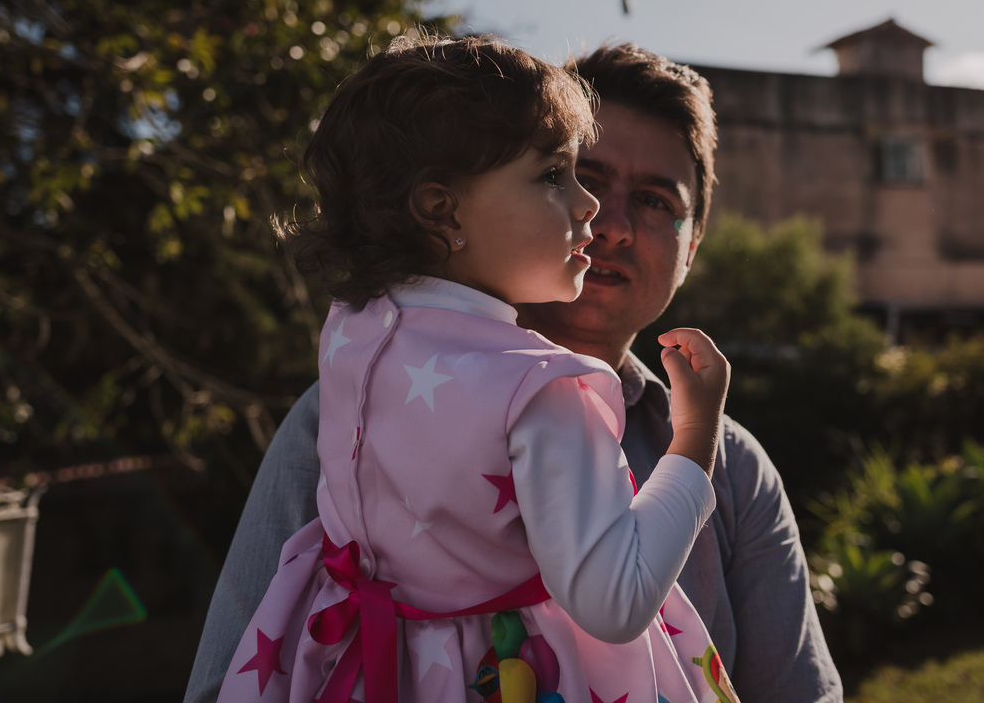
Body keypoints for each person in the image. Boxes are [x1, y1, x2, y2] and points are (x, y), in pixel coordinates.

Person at [186, 43, 843, 703]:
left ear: (691, 247)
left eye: (652, 200)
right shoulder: (336, 412)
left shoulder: (738, 470)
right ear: (446, 207)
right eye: (567, 174)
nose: (604, 219)